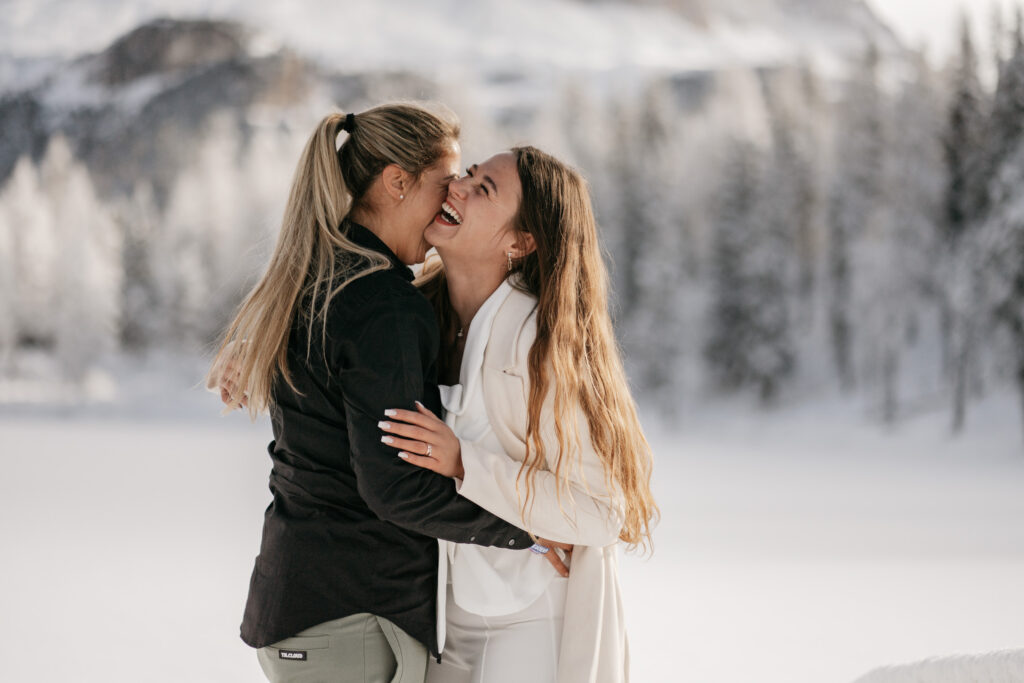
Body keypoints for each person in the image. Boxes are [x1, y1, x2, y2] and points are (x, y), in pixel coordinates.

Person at [207, 106, 564, 683]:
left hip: (300, 608)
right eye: (445, 183)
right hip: (355, 616)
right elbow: (395, 488)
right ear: (397, 182)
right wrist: (526, 531)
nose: (454, 199)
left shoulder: (320, 279)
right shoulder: (384, 306)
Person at [377, 147, 658, 683]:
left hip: (532, 619)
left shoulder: (541, 343)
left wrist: (465, 464)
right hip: (445, 614)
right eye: (470, 173)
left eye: (484, 189)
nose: (457, 185)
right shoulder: (419, 315)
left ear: (520, 242)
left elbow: (601, 513)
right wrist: (252, 351)